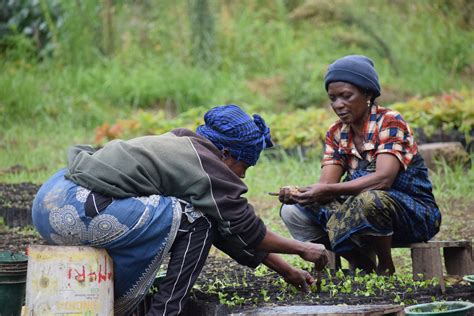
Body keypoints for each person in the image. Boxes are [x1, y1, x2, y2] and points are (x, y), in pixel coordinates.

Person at [32, 104, 328, 316]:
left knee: (198, 219)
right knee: (195, 221)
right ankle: (165, 311)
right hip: (78, 211)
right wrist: (302, 249)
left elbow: (230, 232)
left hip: (51, 202)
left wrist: (287, 270)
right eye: (244, 166)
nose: (242, 176)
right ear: (225, 153)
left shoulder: (184, 144)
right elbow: (248, 230)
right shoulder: (209, 168)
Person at [278, 55, 441, 275]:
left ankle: (385, 266)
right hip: (362, 215)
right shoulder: (336, 133)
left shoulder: (390, 121)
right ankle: (362, 262)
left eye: (346, 96)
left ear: (368, 94)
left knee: (370, 198)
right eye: (333, 98)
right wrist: (301, 194)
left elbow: (383, 179)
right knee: (292, 211)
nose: (338, 105)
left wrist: (326, 190)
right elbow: (327, 186)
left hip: (413, 217)